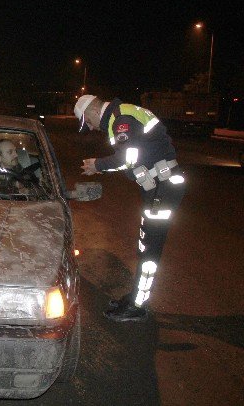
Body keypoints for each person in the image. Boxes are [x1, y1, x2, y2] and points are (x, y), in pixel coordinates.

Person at [74, 94, 186, 322]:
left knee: (149, 250)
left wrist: (98, 165)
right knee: (146, 246)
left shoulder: (121, 118)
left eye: (89, 122)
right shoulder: (122, 114)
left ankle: (138, 306)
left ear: (93, 110)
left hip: (162, 189)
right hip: (158, 188)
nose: (93, 128)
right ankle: (136, 297)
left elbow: (128, 157)